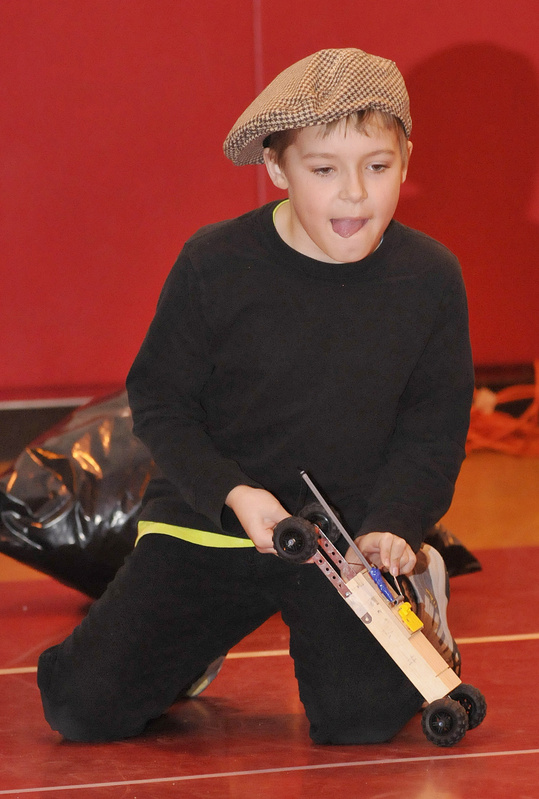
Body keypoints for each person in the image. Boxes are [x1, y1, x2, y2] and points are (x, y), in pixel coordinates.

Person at [37, 48, 474, 745]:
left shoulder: (430, 278)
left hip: (348, 538)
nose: (355, 193)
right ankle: (181, 656)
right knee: (81, 710)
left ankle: (419, 583)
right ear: (276, 168)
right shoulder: (214, 263)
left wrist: (395, 522)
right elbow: (161, 402)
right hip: (212, 519)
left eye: (377, 166)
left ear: (406, 158)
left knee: (358, 723)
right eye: (323, 169)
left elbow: (432, 429)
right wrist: (232, 493)